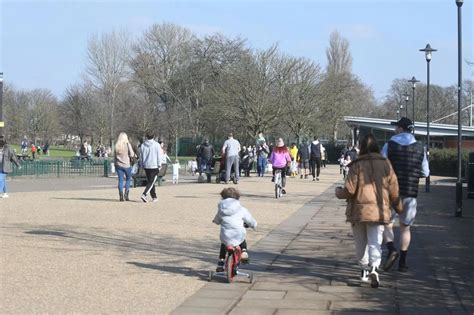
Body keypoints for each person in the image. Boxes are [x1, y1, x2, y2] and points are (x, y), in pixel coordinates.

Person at [335, 133, 402, 288]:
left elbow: (349, 190)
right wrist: (399, 207)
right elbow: (394, 189)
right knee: (375, 242)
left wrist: (338, 192)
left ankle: (364, 270)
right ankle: (374, 267)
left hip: (358, 211)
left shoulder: (356, 165)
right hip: (378, 209)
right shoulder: (386, 164)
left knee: (360, 242)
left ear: (362, 147)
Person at [381, 117, 429, 272]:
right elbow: (426, 172)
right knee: (405, 228)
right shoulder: (420, 147)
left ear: (400, 129)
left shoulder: (389, 145)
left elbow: (382, 166)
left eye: (396, 128)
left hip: (391, 192)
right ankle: (402, 262)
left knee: (387, 224)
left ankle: (391, 249)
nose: (395, 130)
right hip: (410, 192)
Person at [212, 187, 257, 272]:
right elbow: (250, 220)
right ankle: (244, 251)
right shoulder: (241, 209)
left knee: (223, 245)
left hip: (226, 236)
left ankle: (220, 262)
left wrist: (216, 221)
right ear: (237, 197)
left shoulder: (221, 210)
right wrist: (253, 225)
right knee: (242, 240)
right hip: (238, 234)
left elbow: (217, 220)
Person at [139, 131, 162, 203]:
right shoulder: (157, 145)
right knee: (151, 182)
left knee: (151, 181)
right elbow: (159, 156)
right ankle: (144, 194)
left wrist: (142, 164)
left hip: (146, 166)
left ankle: (154, 197)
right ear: (154, 136)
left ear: (146, 136)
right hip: (154, 166)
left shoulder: (143, 145)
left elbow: (141, 157)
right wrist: (159, 164)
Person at [114, 132, 136, 202]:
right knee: (128, 179)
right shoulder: (127, 144)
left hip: (119, 165)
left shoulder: (117, 145)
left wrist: (115, 163)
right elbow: (132, 154)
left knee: (120, 180)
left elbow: (114, 156)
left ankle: (121, 196)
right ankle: (126, 195)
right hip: (126, 164)